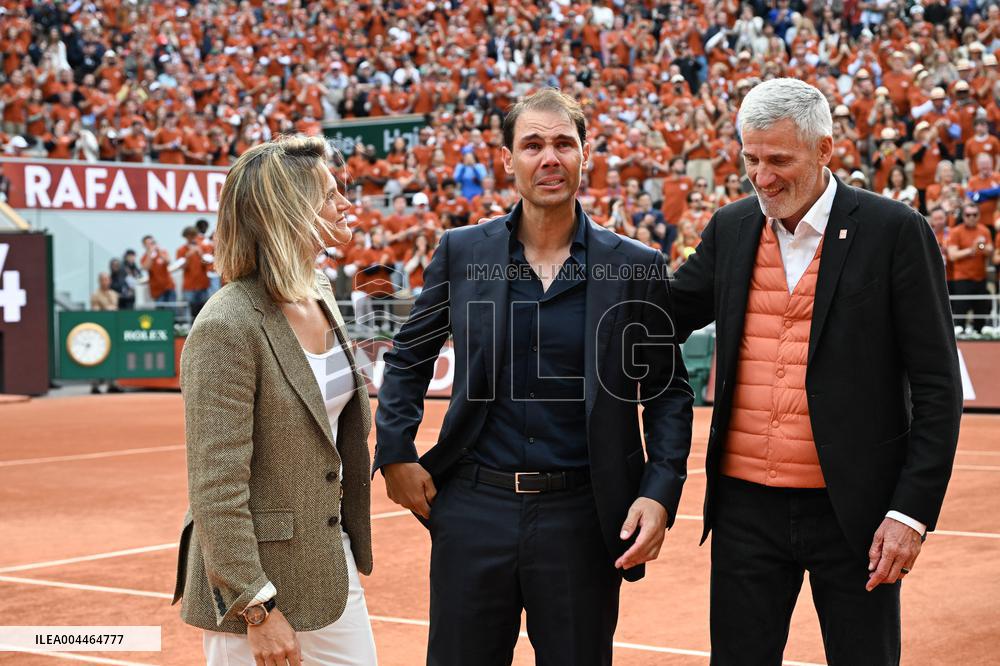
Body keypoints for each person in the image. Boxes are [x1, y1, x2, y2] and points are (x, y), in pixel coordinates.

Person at [374, 88, 694, 665]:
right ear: (507, 159)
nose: (550, 158)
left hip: (582, 515)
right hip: (473, 506)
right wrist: (395, 450)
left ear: (585, 154)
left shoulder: (635, 265)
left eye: (563, 144)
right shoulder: (463, 251)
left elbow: (667, 390)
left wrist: (659, 491)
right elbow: (410, 355)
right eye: (533, 145)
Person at [670, 78, 963, 665]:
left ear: (825, 150)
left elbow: (937, 385)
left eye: (779, 159)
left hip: (855, 513)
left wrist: (909, 513)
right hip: (744, 510)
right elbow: (662, 316)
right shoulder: (730, 228)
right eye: (750, 158)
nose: (762, 176)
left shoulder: (894, 231)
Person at [172, 135, 377, 666]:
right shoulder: (226, 325)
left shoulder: (321, 292)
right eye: (332, 195)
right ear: (294, 211)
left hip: (329, 566)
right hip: (253, 591)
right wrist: (255, 608)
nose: (346, 204)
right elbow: (216, 487)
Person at [947, 202, 995, 333]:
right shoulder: (956, 231)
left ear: (979, 215)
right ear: (963, 216)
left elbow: (990, 251)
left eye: (975, 214)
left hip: (980, 278)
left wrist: (983, 248)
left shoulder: (984, 230)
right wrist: (971, 249)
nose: (972, 217)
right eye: (968, 215)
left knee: (980, 316)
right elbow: (952, 255)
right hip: (962, 279)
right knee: (959, 319)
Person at [89, 272, 123, 394]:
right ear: (100, 281)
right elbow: (95, 310)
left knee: (113, 356)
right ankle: (95, 384)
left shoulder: (114, 294)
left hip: (113, 330)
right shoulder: (95, 295)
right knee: (97, 356)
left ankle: (112, 383)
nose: (106, 281)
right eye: (104, 279)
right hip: (99, 332)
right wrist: (105, 309)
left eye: (108, 279)